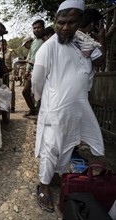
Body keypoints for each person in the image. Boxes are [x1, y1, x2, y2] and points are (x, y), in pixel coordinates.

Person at [31, 0, 105, 213]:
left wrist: (99, 42)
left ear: (79, 22)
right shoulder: (48, 47)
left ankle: (55, 174)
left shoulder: (81, 41)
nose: (64, 27)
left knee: (67, 147)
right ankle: (43, 186)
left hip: (75, 110)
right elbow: (37, 81)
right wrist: (41, 101)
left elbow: (97, 61)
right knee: (51, 148)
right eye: (60, 22)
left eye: (71, 22)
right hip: (54, 110)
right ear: (55, 21)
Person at [22, 19, 44, 116]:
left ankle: (40, 114)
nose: (36, 30)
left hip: (43, 71)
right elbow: (30, 56)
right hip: (33, 72)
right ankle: (32, 109)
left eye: (39, 27)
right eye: (34, 28)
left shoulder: (46, 40)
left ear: (43, 28)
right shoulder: (34, 41)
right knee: (25, 92)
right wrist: (27, 70)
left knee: (41, 94)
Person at [0, 39, 16, 112]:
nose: (2, 46)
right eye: (1, 45)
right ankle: (6, 107)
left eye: (3, 44)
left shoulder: (11, 51)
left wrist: (14, 73)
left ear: (6, 44)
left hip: (10, 72)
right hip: (2, 74)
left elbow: (14, 62)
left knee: (11, 90)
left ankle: (12, 107)